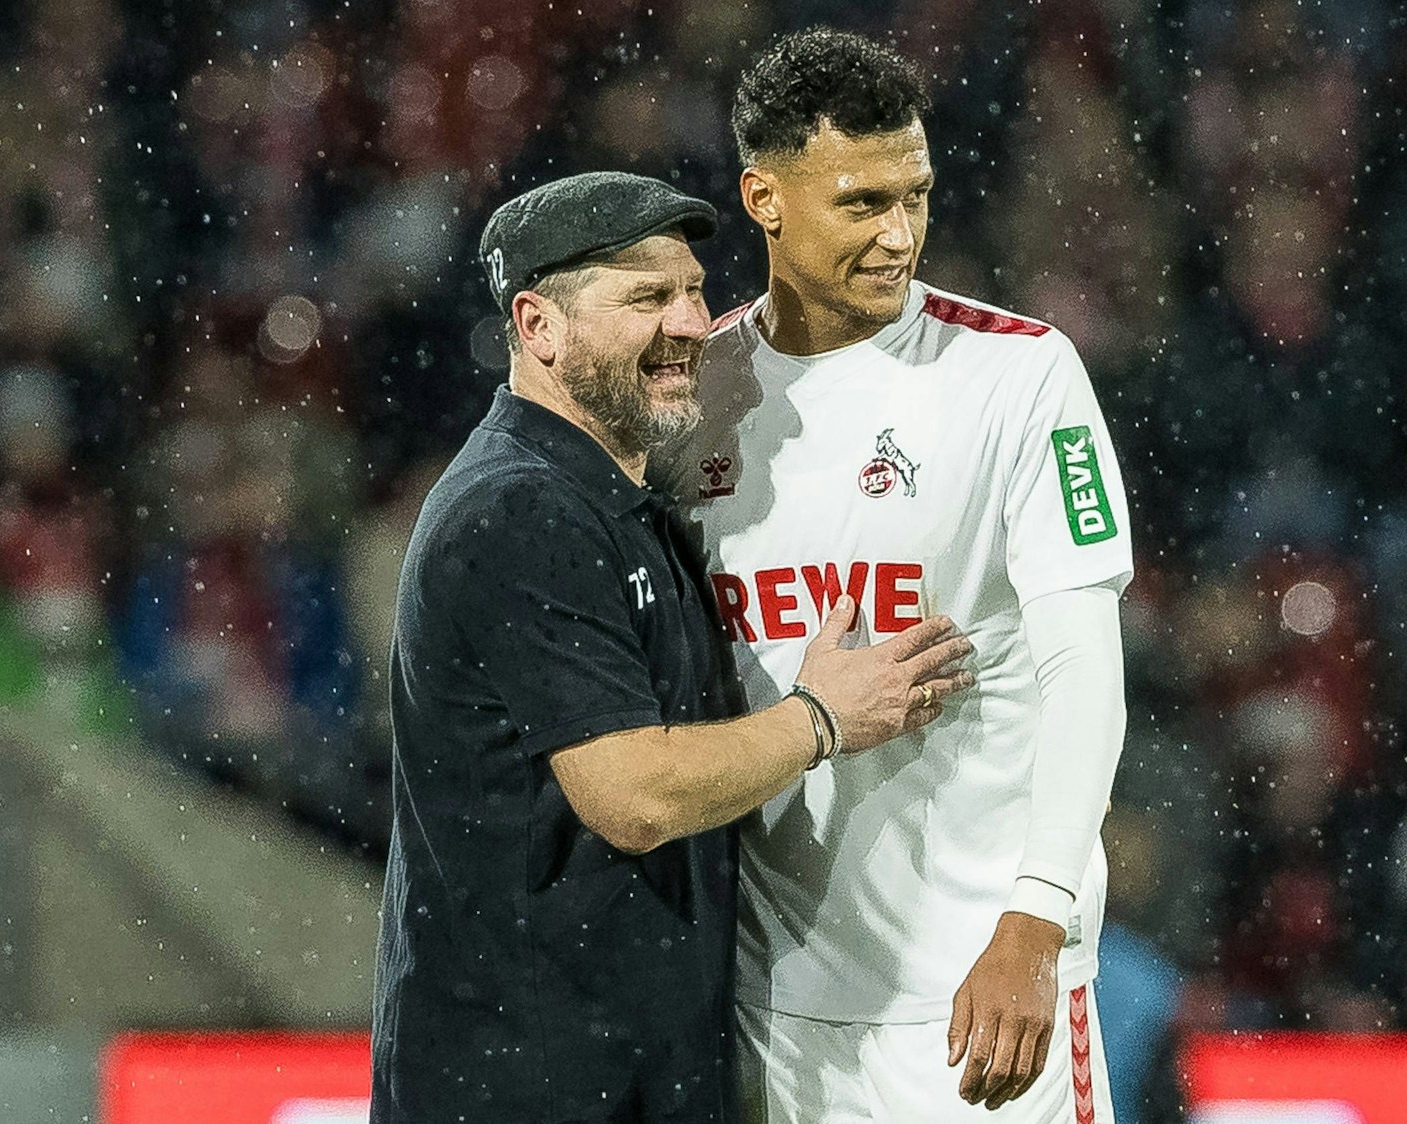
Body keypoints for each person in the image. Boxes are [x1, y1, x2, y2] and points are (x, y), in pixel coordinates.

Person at [369, 171, 976, 1124]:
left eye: (693, 290)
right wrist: (821, 719)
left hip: (615, 1073)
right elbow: (633, 796)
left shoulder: (620, 504)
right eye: (646, 297)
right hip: (529, 1086)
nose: (691, 323)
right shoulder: (519, 509)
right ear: (538, 326)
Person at [652, 28, 1136, 1124]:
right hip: (768, 1006)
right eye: (861, 203)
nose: (899, 234)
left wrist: (1036, 921)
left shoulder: (1020, 373)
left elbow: (1084, 676)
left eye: (914, 195)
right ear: (764, 200)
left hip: (978, 994)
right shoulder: (694, 392)